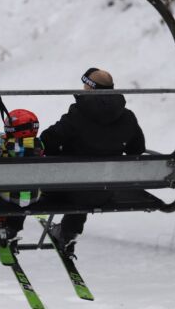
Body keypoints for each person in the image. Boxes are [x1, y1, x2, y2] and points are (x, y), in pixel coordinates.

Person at [40, 67, 145, 256]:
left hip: (67, 190)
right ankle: (68, 232)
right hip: (104, 191)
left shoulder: (78, 114)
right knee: (89, 184)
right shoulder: (127, 117)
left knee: (72, 181)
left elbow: (47, 141)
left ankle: (11, 229)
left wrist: (61, 149)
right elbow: (136, 149)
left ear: (89, 88)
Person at [0, 109, 44, 248]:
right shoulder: (40, 146)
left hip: (8, 196)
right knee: (25, 191)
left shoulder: (7, 146)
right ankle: (12, 228)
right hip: (34, 197)